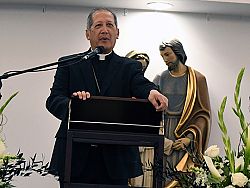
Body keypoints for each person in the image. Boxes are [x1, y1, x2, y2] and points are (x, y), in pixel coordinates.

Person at [46, 8, 168, 187]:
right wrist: (74, 105)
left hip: (116, 159)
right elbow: (53, 100)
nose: (105, 30)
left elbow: (141, 84)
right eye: (98, 25)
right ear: (88, 33)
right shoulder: (70, 63)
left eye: (109, 25)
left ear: (117, 33)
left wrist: (152, 92)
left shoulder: (129, 67)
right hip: (75, 155)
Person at [153, 39, 211, 187]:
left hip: (185, 131)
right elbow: (151, 110)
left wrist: (190, 139)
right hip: (164, 132)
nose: (165, 60)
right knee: (161, 175)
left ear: (178, 53)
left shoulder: (197, 79)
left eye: (168, 54)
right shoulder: (160, 79)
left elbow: (203, 115)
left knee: (182, 178)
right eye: (162, 56)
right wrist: (161, 138)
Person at [125, 50, 154, 187]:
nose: (140, 71)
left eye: (143, 68)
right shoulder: (119, 90)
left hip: (145, 142)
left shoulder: (148, 91)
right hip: (124, 142)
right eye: (137, 67)